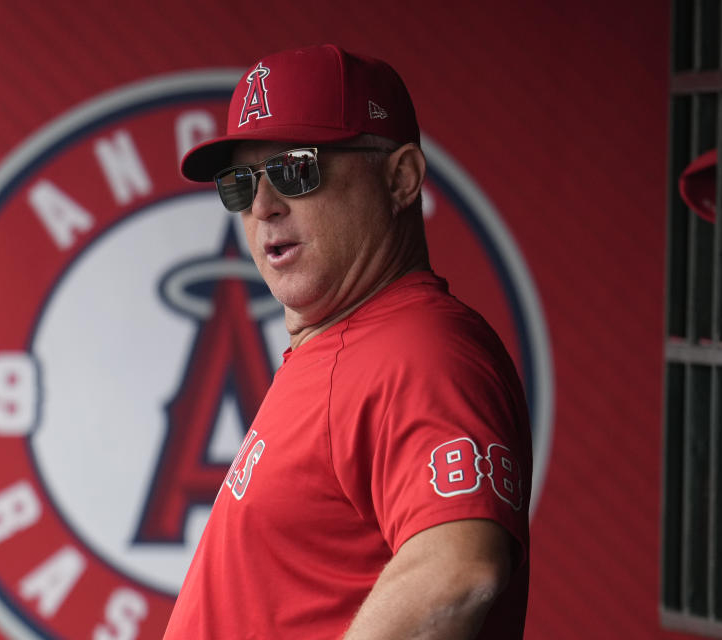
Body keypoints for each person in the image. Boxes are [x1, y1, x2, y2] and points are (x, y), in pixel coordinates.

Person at [164, 44, 532, 639]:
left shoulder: (419, 349)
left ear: (400, 177)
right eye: (240, 183)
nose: (263, 206)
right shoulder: (345, 344)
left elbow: (458, 571)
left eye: (295, 168)